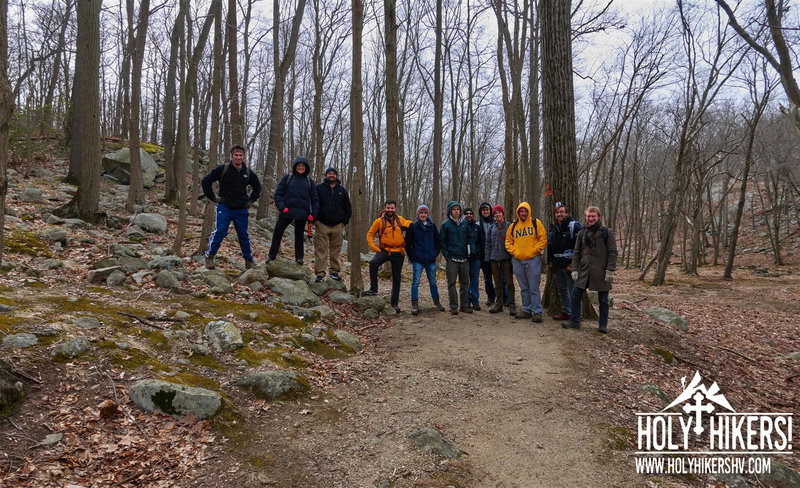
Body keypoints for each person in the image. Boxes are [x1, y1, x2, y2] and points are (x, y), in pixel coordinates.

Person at [202, 144, 262, 270]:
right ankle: (210, 257)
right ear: (232, 156)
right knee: (220, 231)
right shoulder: (222, 169)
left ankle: (248, 261)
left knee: (243, 235)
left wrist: (250, 201)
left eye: (240, 155)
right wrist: (213, 198)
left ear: (243, 157)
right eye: (236, 155)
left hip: (241, 209)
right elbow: (206, 181)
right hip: (225, 207)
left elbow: (258, 187)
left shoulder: (247, 172)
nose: (238, 158)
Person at [562, 206, 617, 333]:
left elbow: (613, 252)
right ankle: (575, 321)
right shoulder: (582, 233)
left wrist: (610, 270)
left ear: (598, 216)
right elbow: (576, 252)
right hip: (584, 271)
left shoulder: (606, 232)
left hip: (601, 271)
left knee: (603, 299)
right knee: (575, 294)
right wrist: (574, 269)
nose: (590, 218)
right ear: (585, 217)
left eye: (593, 216)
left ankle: (603, 325)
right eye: (588, 216)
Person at [267, 156, 319, 265]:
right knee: (277, 232)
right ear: (295, 166)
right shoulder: (288, 178)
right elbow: (278, 194)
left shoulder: (309, 181)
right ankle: (271, 256)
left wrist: (313, 215)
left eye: (303, 166)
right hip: (287, 212)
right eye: (299, 165)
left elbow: (315, 199)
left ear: (306, 168)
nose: (300, 167)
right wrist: (282, 207)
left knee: (299, 236)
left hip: (302, 214)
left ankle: (299, 258)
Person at [365, 200, 412, 313]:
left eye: (392, 208)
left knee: (396, 277)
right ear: (385, 208)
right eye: (388, 208)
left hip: (399, 252)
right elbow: (370, 234)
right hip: (385, 250)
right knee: (373, 263)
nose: (390, 210)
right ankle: (373, 289)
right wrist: (374, 248)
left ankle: (394, 303)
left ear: (395, 209)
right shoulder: (379, 221)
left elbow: (409, 223)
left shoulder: (400, 219)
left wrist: (407, 225)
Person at [505, 202, 547, 322]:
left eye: (525, 211)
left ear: (528, 212)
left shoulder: (536, 223)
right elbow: (508, 241)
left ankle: (537, 312)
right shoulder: (513, 225)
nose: (523, 213)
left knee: (534, 287)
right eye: (521, 211)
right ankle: (526, 310)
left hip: (533, 260)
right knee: (523, 287)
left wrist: (534, 250)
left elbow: (543, 239)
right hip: (517, 261)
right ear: (518, 212)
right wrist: (514, 252)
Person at [405, 204, 445, 315]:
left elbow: (438, 242)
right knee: (415, 282)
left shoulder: (432, 226)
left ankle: (437, 302)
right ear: (418, 214)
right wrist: (411, 256)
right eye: (421, 213)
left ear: (428, 214)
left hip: (430, 260)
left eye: (425, 213)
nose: (423, 215)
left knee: (433, 282)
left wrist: (435, 253)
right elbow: (408, 243)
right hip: (417, 260)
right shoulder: (413, 227)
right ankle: (414, 304)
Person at [313, 167, 352, 282]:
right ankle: (320, 274)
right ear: (326, 175)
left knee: (335, 251)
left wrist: (344, 222)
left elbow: (348, 208)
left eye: (333, 174)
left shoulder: (342, 191)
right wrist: (315, 221)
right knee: (321, 250)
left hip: (338, 226)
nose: (331, 175)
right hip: (322, 224)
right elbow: (314, 204)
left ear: (336, 176)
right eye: (329, 173)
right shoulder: (319, 189)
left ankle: (334, 272)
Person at [547, 203, 582, 320]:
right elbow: (550, 247)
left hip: (570, 265)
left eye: (562, 212)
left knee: (574, 291)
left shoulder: (574, 226)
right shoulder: (554, 229)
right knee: (562, 290)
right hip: (557, 265)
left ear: (566, 213)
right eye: (557, 212)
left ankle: (577, 315)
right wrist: (550, 262)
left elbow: (580, 247)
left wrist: (574, 265)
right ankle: (566, 312)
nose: (559, 214)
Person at [440, 201, 474, 315]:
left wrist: (470, 253)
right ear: (450, 210)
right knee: (452, 283)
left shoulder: (465, 224)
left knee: (465, 283)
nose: (456, 211)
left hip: (464, 259)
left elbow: (470, 239)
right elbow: (442, 242)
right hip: (452, 259)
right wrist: (447, 256)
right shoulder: (446, 225)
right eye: (454, 209)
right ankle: (453, 306)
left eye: (458, 209)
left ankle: (464, 305)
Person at [485, 205, 516, 316]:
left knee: (509, 282)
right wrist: (487, 257)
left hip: (506, 259)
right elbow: (488, 243)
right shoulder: (491, 227)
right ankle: (499, 304)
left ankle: (512, 304)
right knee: (497, 282)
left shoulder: (509, 226)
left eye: (499, 212)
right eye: (495, 213)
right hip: (494, 259)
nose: (497, 215)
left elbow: (513, 242)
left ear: (503, 214)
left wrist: (513, 257)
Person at [464, 207, 482, 311]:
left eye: (471, 213)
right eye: (466, 213)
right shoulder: (461, 227)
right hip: (464, 258)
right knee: (465, 281)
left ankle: (475, 301)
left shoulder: (477, 227)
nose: (469, 215)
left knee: (474, 281)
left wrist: (480, 254)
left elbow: (481, 241)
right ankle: (466, 301)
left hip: (476, 258)